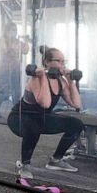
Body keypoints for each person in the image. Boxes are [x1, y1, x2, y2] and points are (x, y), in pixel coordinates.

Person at [7, 46, 84, 174]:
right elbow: (46, 104)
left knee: (76, 124)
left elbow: (77, 105)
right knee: (34, 126)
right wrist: (43, 77)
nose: (61, 65)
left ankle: (56, 160)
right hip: (19, 118)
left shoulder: (62, 81)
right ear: (47, 62)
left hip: (41, 117)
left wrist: (71, 81)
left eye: (63, 62)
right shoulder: (36, 79)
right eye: (58, 61)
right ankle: (25, 165)